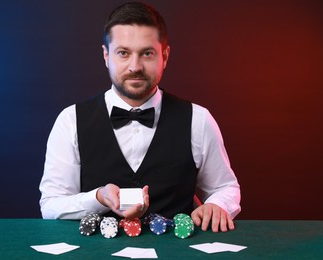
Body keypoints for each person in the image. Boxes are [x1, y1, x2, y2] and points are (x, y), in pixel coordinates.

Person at [39, 2, 241, 233]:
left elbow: (226, 188)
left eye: (147, 53)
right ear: (106, 56)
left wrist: (216, 205)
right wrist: (98, 197)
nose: (135, 66)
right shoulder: (70, 120)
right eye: (123, 53)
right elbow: (51, 206)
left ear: (164, 56)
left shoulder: (199, 119)